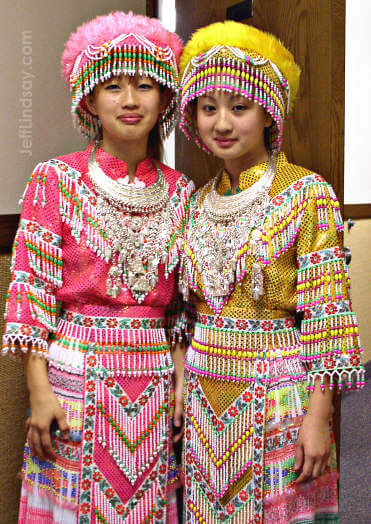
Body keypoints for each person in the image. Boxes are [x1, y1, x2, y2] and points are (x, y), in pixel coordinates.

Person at [2, 10, 194, 523]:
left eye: (145, 85)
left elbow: (181, 306)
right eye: (112, 86)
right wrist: (39, 392)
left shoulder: (182, 194)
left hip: (155, 381)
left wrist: (179, 380)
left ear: (167, 98)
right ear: (88, 98)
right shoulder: (54, 180)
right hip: (74, 380)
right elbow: (29, 294)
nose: (129, 100)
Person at [177, 21, 364, 523]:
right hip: (203, 395)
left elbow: (328, 317)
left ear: (268, 113)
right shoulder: (196, 203)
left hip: (278, 393)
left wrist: (319, 418)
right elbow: (186, 313)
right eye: (208, 107)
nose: (222, 122)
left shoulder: (307, 193)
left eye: (239, 107)